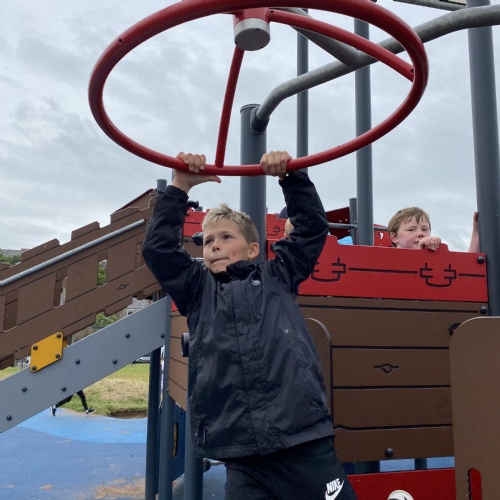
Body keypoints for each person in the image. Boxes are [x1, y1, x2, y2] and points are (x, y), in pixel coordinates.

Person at [142, 151, 357, 500]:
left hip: (302, 439)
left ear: (253, 248)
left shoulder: (278, 275)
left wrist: (290, 177)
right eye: (208, 241)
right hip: (242, 451)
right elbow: (158, 251)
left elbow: (312, 229)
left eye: (226, 237)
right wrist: (180, 186)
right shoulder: (197, 289)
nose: (215, 246)